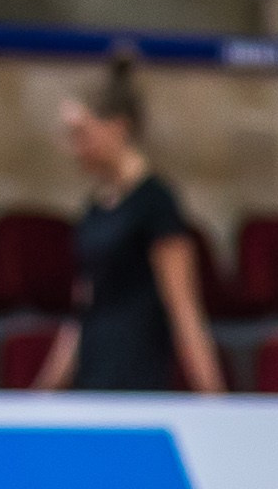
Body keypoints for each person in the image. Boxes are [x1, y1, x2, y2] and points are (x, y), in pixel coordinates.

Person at [34, 45, 224, 394]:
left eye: (82, 134)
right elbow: (83, 309)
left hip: (136, 379)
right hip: (92, 377)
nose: (75, 147)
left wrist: (214, 397)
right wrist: (44, 392)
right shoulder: (94, 207)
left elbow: (183, 309)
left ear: (117, 128)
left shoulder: (156, 204)